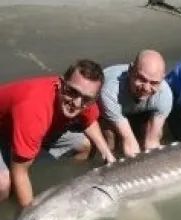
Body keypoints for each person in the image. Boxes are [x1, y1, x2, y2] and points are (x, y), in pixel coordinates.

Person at [0, 59, 116, 208]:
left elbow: (90, 120)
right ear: (60, 83)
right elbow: (20, 172)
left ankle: (69, 186)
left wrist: (107, 153)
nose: (77, 103)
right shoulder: (33, 110)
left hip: (34, 129)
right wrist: (30, 216)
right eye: (72, 92)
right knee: (3, 184)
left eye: (87, 99)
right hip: (8, 131)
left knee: (85, 146)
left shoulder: (83, 98)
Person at [100, 50, 173, 158]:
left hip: (138, 108)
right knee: (111, 139)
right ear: (130, 70)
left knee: (157, 134)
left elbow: (152, 142)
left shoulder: (165, 95)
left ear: (162, 79)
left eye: (154, 83)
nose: (146, 88)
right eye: (142, 79)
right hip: (109, 108)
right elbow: (129, 141)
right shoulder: (110, 90)